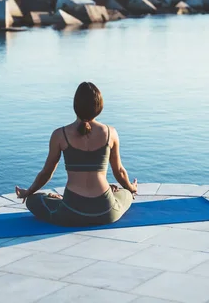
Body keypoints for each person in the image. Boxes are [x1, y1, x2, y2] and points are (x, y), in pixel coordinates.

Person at [15, 82, 138, 226]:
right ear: (99, 107)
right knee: (126, 194)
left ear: (75, 106)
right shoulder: (111, 133)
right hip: (105, 212)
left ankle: (58, 200)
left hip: (71, 212)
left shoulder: (59, 135)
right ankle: (113, 191)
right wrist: (132, 188)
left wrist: (28, 192)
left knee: (33, 200)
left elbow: (46, 173)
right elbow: (119, 172)